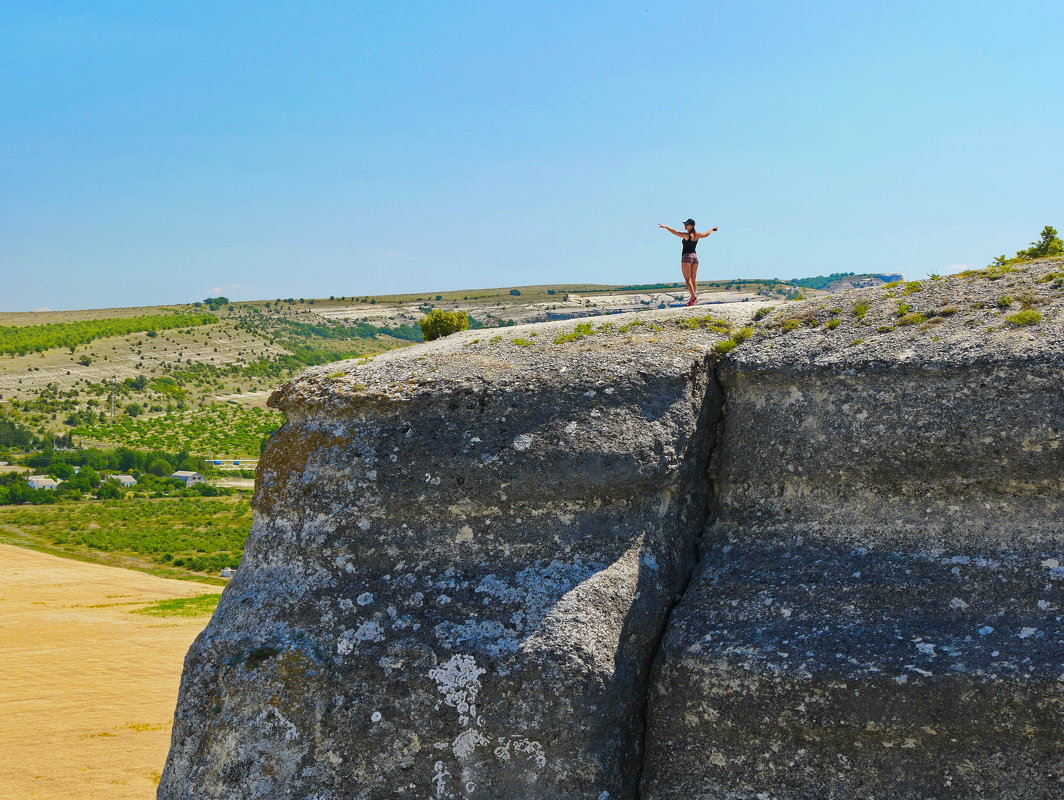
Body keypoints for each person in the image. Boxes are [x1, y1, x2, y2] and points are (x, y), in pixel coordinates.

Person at [658, 219, 718, 306]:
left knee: (687, 280)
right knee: (693, 280)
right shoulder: (697, 235)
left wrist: (666, 227)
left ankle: (693, 297)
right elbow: (706, 234)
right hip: (695, 257)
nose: (685, 225)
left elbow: (675, 232)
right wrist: (712, 229)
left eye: (687, 224)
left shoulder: (687, 235)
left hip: (687, 257)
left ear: (692, 225)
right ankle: (692, 300)